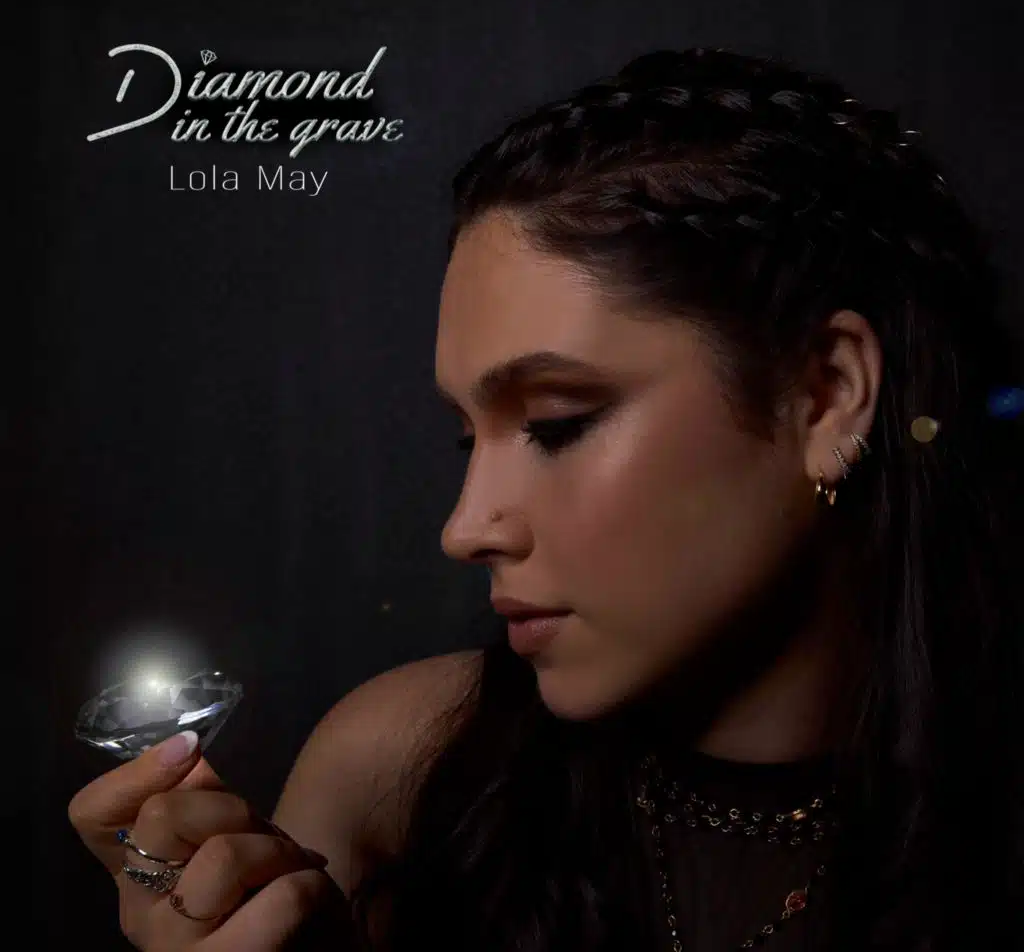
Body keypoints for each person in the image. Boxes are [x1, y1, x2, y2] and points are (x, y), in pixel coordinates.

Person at [69, 48, 1023, 952]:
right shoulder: (396, 774)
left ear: (825, 396)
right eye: (466, 438)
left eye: (558, 423)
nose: (464, 527)